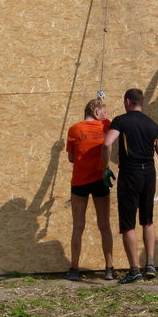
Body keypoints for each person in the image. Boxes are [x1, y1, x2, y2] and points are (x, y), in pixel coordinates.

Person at [102, 89, 158, 284]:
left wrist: (105, 168)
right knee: (147, 220)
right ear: (141, 103)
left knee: (128, 224)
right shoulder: (153, 125)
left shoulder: (121, 121)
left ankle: (134, 270)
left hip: (130, 173)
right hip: (149, 174)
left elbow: (107, 144)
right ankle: (150, 264)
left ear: (127, 101)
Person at [66, 98, 115, 281]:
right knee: (104, 225)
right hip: (100, 179)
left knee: (78, 226)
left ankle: (74, 269)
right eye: (104, 111)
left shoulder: (74, 129)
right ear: (96, 112)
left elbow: (71, 157)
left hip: (79, 182)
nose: (106, 115)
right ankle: (109, 268)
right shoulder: (106, 125)